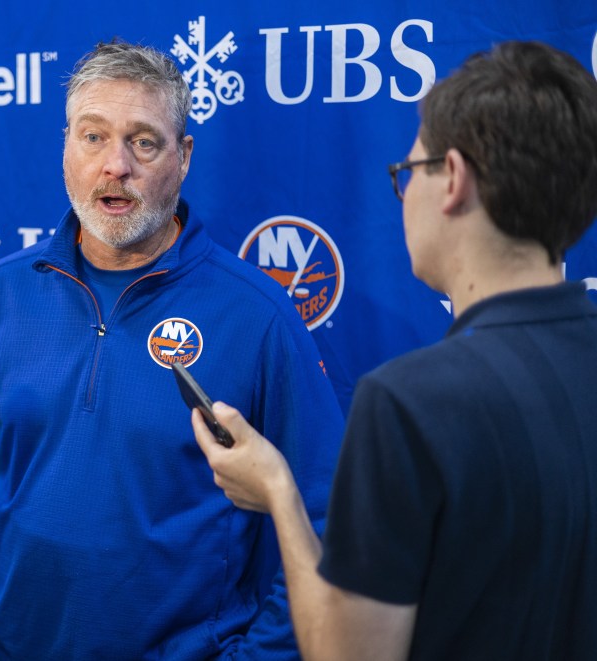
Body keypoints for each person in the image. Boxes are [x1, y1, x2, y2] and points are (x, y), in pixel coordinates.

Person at [0, 41, 344, 659]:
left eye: (143, 142)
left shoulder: (256, 315)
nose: (114, 165)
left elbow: (318, 518)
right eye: (92, 137)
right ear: (65, 147)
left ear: (183, 157)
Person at [191, 40, 597, 660]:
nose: (402, 196)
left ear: (453, 179)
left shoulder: (409, 404)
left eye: (407, 173)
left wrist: (278, 493)